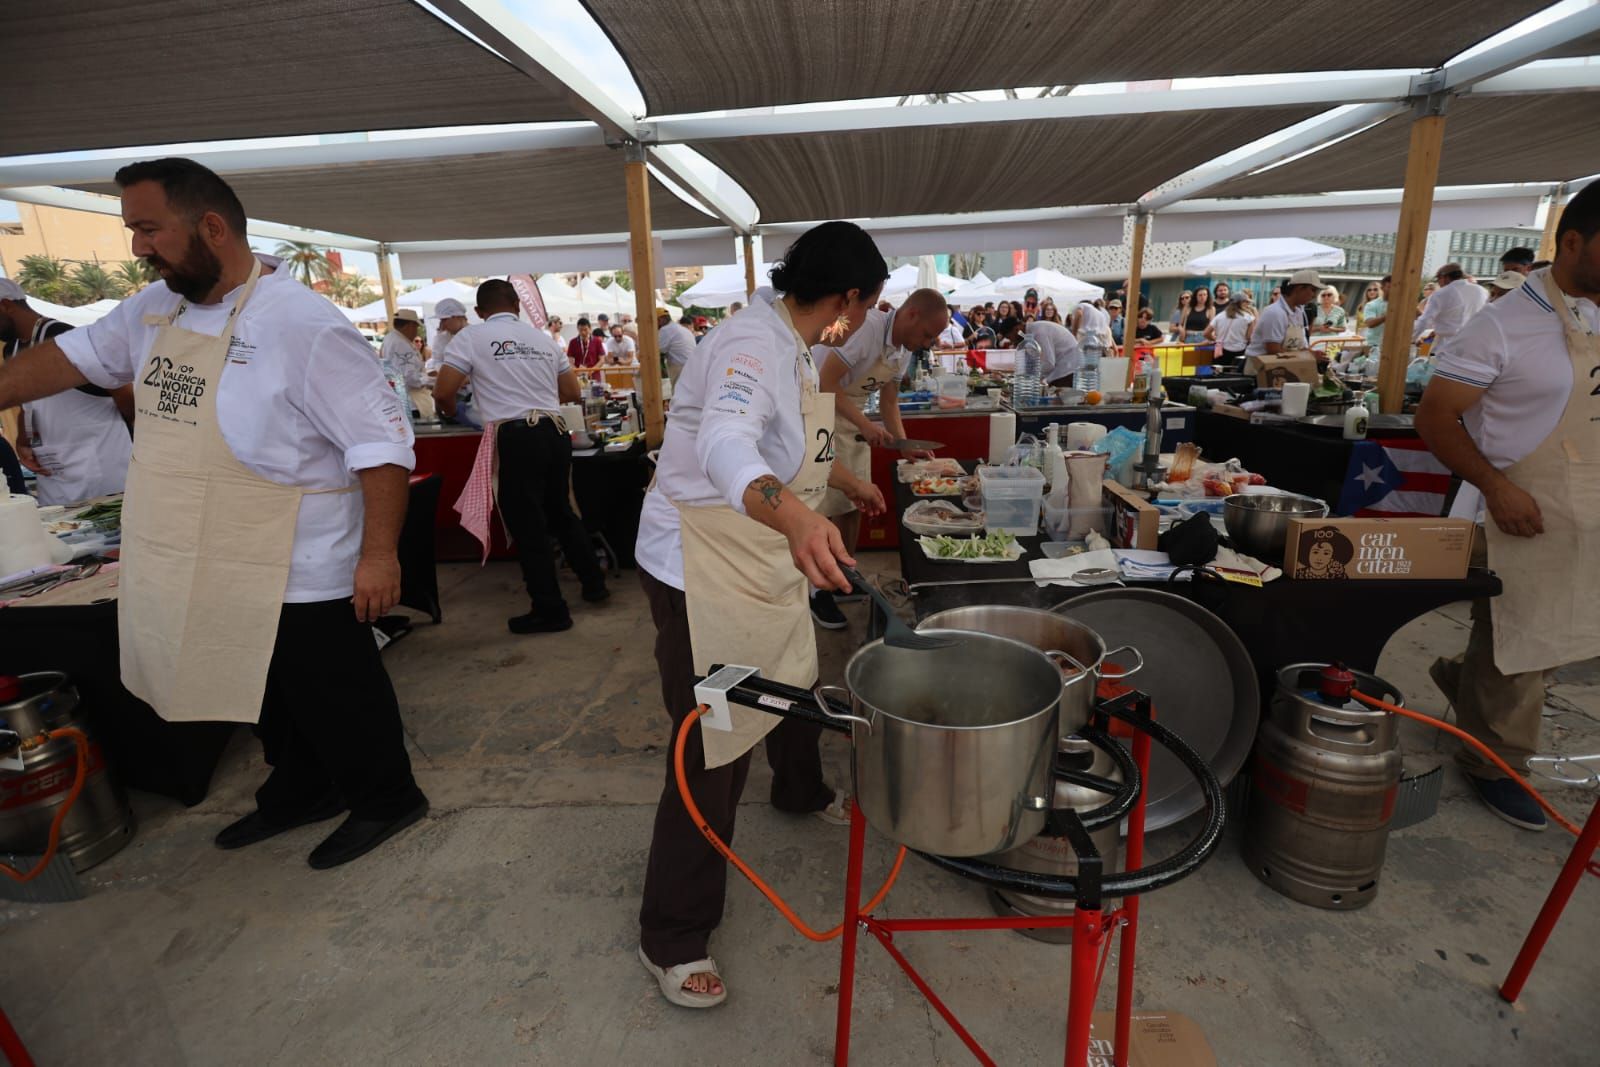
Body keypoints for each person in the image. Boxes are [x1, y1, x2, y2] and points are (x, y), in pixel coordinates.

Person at [0, 157, 427, 867]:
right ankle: (302, 789)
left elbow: (382, 446)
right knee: (264, 694)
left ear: (212, 227)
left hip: (304, 555)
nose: (137, 246)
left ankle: (388, 796)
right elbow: (66, 362)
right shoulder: (151, 311)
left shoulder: (302, 324)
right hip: (214, 549)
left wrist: (379, 554)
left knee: (335, 690)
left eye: (147, 228)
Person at [633, 221, 888, 1008]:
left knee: (794, 673)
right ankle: (671, 933)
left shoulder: (795, 344)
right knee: (714, 744)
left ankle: (799, 790)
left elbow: (798, 444)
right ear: (847, 298)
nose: (862, 321)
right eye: (868, 307)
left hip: (759, 553)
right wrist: (802, 521)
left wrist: (844, 481)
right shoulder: (751, 344)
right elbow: (725, 443)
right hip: (701, 565)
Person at [1414, 181, 1600, 831]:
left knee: (1557, 632)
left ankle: (1465, 683)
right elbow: (1436, 420)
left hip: (1587, 500)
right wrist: (1497, 486)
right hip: (1513, 504)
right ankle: (1497, 761)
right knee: (1523, 633)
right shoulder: (1504, 322)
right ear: (1572, 241)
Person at [433, 280, 607, 632]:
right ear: (516, 305)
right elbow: (572, 391)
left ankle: (551, 609)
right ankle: (594, 585)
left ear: (480, 312)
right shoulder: (544, 339)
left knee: (528, 525)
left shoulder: (470, 337)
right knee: (560, 511)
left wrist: (454, 411)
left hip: (515, 435)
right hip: (555, 431)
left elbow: (443, 392)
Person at [811, 288, 944, 628]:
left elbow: (889, 403)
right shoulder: (866, 329)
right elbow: (825, 383)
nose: (928, 342)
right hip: (818, 414)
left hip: (853, 423)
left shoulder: (902, 351)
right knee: (824, 510)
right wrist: (864, 424)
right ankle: (817, 592)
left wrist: (902, 444)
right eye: (928, 334)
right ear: (911, 314)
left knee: (853, 505)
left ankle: (843, 577)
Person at [0, 279, 133, 505]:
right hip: (52, 471)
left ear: (5, 306)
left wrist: (137, 436)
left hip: (98, 467)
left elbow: (122, 389)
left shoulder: (61, 335)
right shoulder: (12, 349)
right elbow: (28, 405)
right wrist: (23, 440)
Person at [1414, 263, 1489, 355]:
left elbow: (1425, 321)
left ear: (1444, 277)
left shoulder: (1441, 294)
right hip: (1473, 348)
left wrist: (1413, 338)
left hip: (1447, 348)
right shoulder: (1482, 291)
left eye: (1438, 279)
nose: (1439, 283)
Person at [1245, 269, 1321, 358]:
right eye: (1313, 290)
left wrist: (1313, 354)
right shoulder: (1275, 312)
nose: (1314, 295)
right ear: (1299, 288)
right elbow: (1273, 350)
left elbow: (1301, 346)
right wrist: (1307, 356)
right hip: (1260, 368)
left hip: (1285, 365)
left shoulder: (1298, 312)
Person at [996, 315, 1081, 386]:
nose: (1012, 341)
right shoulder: (1028, 336)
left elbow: (1048, 363)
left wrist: (1028, 380)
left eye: (1010, 337)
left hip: (1068, 369)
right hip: (1063, 367)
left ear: (1016, 330)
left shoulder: (1039, 332)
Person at [379, 309, 428, 418]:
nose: (416, 331)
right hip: (412, 403)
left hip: (401, 400)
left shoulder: (391, 338)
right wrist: (429, 379)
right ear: (409, 325)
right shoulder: (400, 344)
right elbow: (410, 378)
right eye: (416, 327)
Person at [1204, 295, 1255, 365]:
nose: (1248, 305)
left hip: (1222, 351)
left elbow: (1206, 333)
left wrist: (1215, 339)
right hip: (1240, 351)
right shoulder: (1248, 318)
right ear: (1241, 303)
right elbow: (1249, 337)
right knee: (1237, 375)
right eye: (1247, 302)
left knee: (1220, 374)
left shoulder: (1220, 316)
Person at [1073, 297, 1113, 377]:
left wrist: (1074, 332)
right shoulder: (1100, 314)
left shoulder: (1082, 305)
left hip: (1088, 347)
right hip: (1100, 347)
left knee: (1084, 373)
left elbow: (1079, 313)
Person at [659, 307, 697, 386]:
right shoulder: (680, 328)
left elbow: (660, 349)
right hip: (691, 365)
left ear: (661, 319)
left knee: (679, 394)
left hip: (680, 366)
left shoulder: (666, 329)